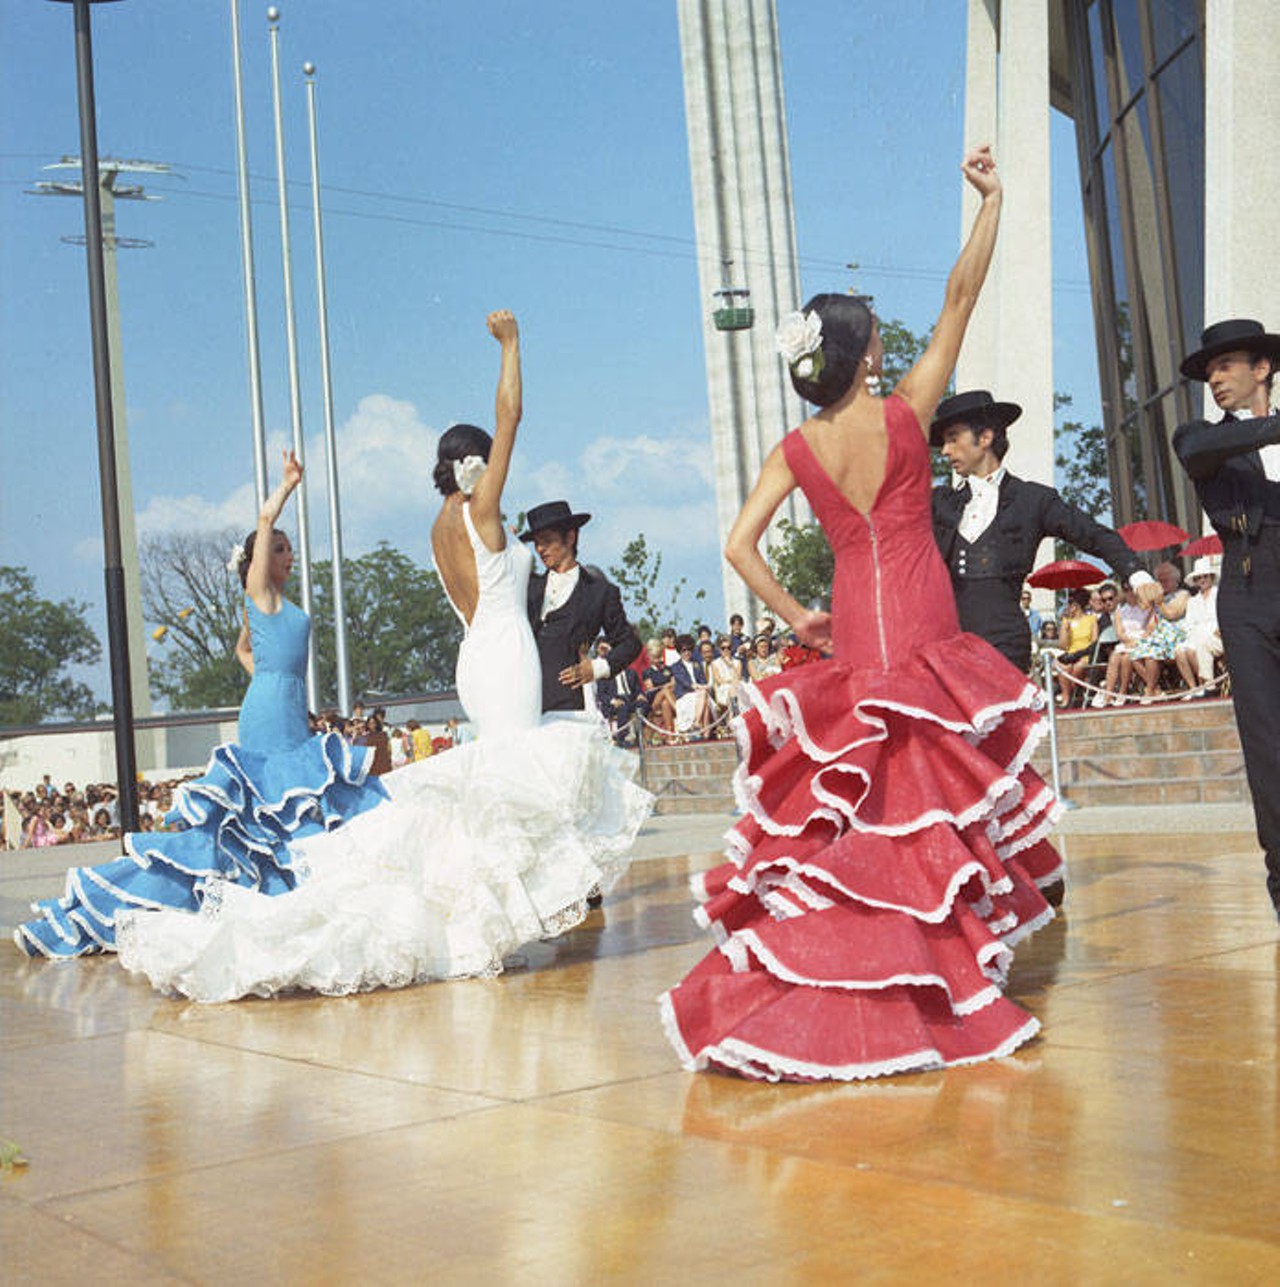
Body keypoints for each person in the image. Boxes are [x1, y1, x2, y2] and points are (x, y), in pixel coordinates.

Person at [660, 146, 1063, 1083]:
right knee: (921, 815)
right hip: (923, 629)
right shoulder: (906, 414)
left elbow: (737, 547)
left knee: (855, 818)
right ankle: (924, 982)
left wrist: (800, 616)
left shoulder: (796, 448)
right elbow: (961, 297)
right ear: (864, 351)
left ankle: (839, 976)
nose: (885, 345)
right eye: (877, 335)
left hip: (850, 629)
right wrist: (991, 203)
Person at [112, 311, 652, 1001]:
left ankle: (483, 916)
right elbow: (512, 413)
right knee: (514, 783)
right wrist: (512, 346)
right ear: (475, 463)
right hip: (506, 653)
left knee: (494, 785)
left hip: (475, 658)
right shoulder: (479, 510)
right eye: (491, 460)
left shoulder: (435, 528)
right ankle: (477, 922)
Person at [15, 452, 389, 958]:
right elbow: (262, 523)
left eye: (287, 550)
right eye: (279, 550)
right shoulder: (263, 595)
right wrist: (287, 487)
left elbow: (242, 648)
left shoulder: (273, 606)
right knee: (267, 808)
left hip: (282, 706)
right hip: (270, 712)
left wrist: (271, 680)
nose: (287, 556)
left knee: (282, 807)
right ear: (257, 561)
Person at [1172, 317, 1280, 919]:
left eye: (1225, 365)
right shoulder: (1204, 439)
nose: (1214, 378)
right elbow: (1196, 450)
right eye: (1209, 370)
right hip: (1250, 593)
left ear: (1261, 368)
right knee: (1270, 750)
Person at [931, 392, 1161, 672]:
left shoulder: (1033, 500)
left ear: (985, 437)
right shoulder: (938, 502)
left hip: (1004, 644)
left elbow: (1094, 534)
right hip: (946, 643)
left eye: (953, 437)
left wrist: (1137, 575)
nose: (944, 450)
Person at [522, 501, 641, 716]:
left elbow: (630, 643)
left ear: (570, 537)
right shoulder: (527, 587)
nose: (540, 549)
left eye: (547, 541)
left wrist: (596, 668)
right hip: (523, 703)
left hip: (569, 707)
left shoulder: (600, 592)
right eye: (537, 543)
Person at [1174, 557, 1222, 696]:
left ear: (1211, 577)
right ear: (1195, 581)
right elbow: (1189, 624)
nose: (1202, 580)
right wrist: (1192, 636)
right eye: (1198, 577)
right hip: (1197, 634)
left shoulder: (1219, 594)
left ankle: (1206, 684)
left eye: (1205, 576)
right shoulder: (1193, 601)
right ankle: (1193, 687)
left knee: (1194, 649)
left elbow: (1225, 616)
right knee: (1179, 651)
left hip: (1216, 634)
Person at [1055, 589, 1098, 706]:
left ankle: (1068, 692)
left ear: (1076, 605)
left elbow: (1094, 641)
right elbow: (1062, 646)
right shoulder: (1067, 621)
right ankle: (1066, 696)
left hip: (1085, 653)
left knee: (1079, 666)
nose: (1068, 607)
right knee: (1063, 666)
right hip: (1070, 654)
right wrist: (1064, 628)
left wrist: (1081, 653)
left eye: (1069, 604)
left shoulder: (1091, 619)